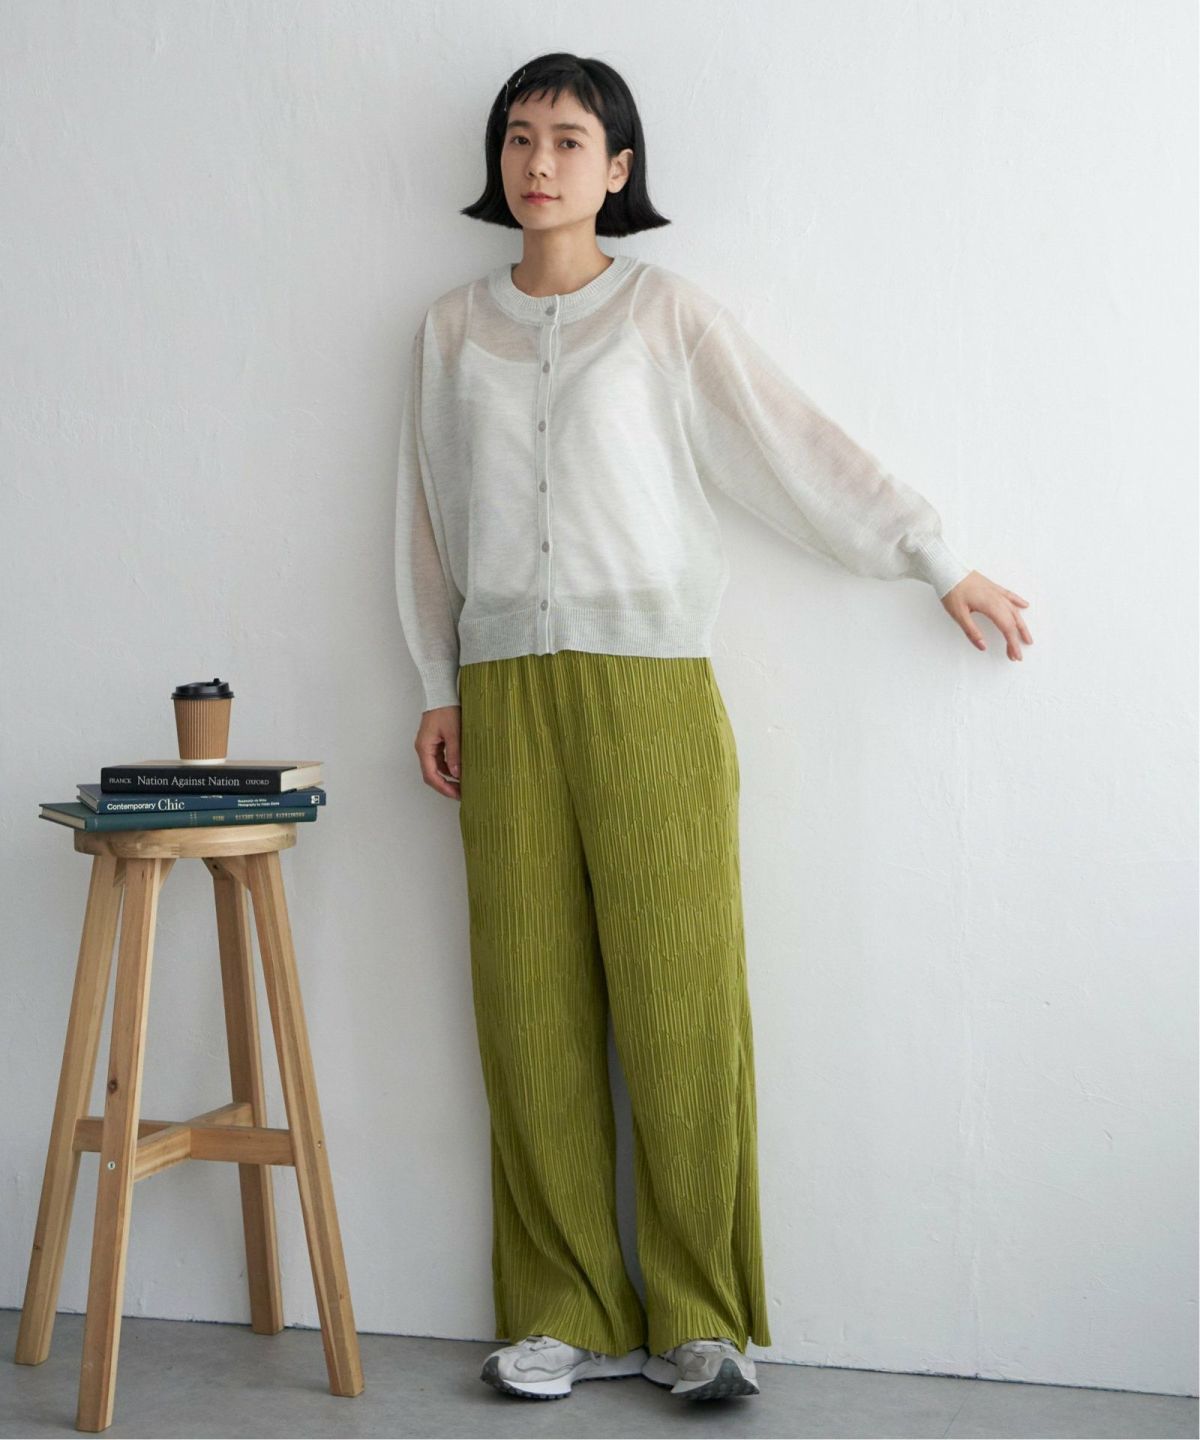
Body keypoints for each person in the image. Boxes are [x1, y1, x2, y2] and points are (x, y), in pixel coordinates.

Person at [394, 51, 1032, 1407]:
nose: (540, 163)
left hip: (654, 689)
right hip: (503, 694)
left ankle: (701, 1317)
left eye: (570, 139)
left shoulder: (664, 316)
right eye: (519, 137)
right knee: (528, 1008)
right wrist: (435, 684)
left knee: (682, 1003)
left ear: (618, 168)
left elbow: (790, 448)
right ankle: (563, 1310)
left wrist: (933, 556)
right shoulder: (449, 332)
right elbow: (426, 520)